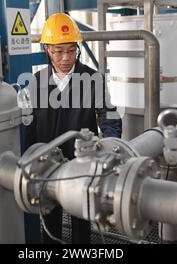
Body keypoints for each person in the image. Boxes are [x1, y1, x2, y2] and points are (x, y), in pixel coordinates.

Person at [25, 13, 122, 244]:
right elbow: (29, 125)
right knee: (49, 219)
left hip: (81, 163)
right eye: (58, 51)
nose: (66, 57)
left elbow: (109, 116)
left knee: (81, 218)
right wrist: (27, 157)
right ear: (47, 49)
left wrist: (111, 144)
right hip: (48, 164)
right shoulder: (36, 82)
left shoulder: (92, 79)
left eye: (71, 50)